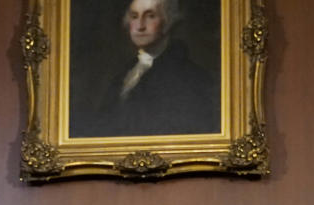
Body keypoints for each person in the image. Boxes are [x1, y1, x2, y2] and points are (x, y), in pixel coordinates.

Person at [73, 0, 218, 138]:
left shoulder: (189, 76)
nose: (140, 26)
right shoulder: (127, 72)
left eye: (150, 16)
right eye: (134, 16)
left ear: (168, 21)